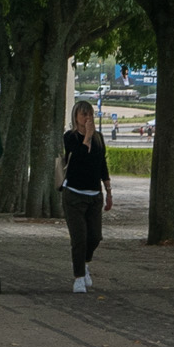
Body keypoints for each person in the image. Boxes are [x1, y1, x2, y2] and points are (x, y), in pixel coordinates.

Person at [62, 99, 112, 292]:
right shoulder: (71, 137)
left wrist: (108, 191)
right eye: (84, 114)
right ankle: (79, 277)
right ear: (76, 117)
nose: (88, 118)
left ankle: (85, 262)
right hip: (74, 194)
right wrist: (86, 137)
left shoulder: (99, 138)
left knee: (95, 237)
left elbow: (102, 165)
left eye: (90, 114)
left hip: (94, 195)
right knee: (79, 238)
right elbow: (77, 161)